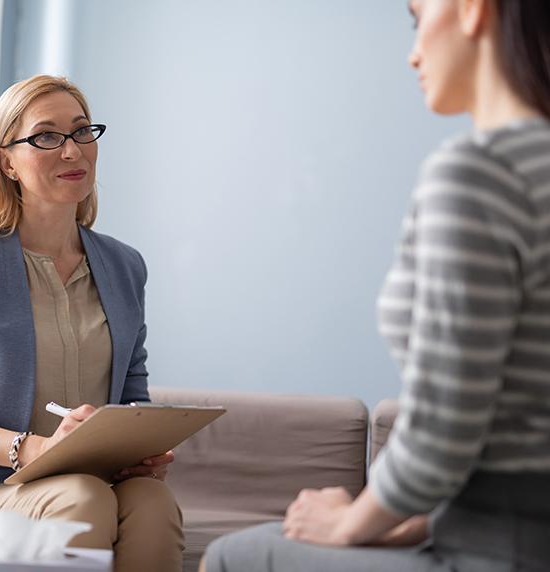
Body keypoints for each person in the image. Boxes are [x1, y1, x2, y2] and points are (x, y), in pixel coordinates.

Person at [200, 0, 550, 570]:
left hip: (498, 546)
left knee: (234, 557)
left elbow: (443, 435)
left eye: (416, 17)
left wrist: (348, 522)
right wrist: (401, 526)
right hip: (480, 526)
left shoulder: (478, 174)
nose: (412, 53)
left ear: (471, 9)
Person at [0, 75, 184, 572]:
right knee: (81, 497)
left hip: (98, 478)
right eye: (46, 136)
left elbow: (133, 395)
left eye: (81, 132)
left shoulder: (124, 265)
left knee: (153, 503)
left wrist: (145, 447)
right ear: (7, 161)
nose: (72, 152)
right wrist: (35, 448)